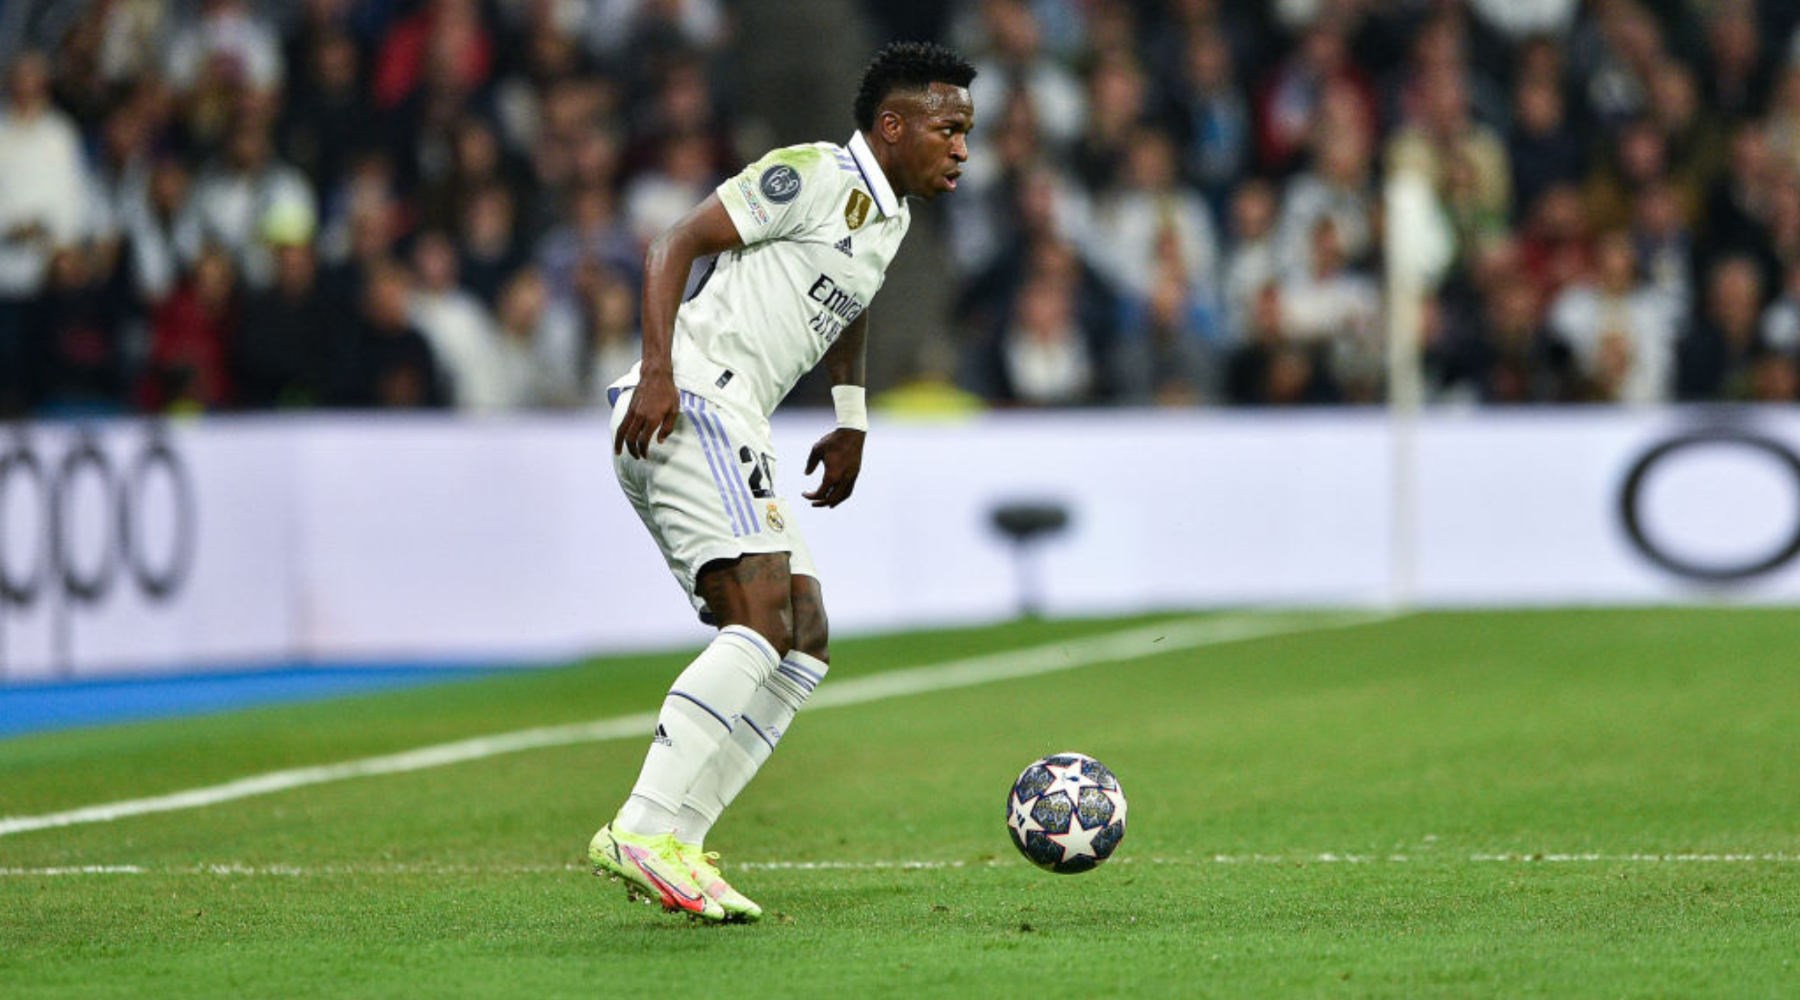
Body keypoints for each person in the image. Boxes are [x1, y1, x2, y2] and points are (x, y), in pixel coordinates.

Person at [588, 42, 976, 923]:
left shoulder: (889, 220)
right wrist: (659, 372)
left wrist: (851, 414)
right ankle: (642, 827)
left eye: (967, 132)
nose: (961, 148)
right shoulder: (811, 174)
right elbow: (673, 243)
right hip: (692, 402)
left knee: (803, 635)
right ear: (892, 126)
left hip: (737, 419)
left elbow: (851, 299)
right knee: (761, 620)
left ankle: (678, 841)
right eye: (948, 129)